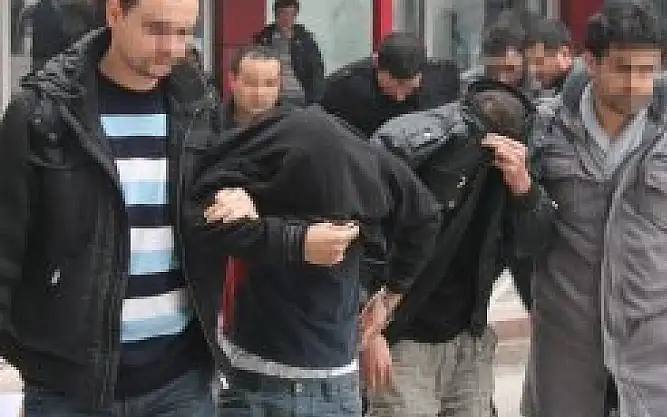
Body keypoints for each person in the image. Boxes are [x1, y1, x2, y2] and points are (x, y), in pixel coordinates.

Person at [0, 0, 223, 415]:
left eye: (183, 32)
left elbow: (224, 197)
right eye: (157, 29)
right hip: (68, 388)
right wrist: (33, 355)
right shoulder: (43, 114)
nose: (172, 48)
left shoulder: (201, 108)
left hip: (181, 382)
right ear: (115, 14)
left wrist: (242, 196)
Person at [529, 3, 667, 416]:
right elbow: (519, 226)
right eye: (623, 69)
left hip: (659, 349)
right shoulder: (546, 129)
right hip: (568, 352)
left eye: (647, 70)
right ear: (591, 63)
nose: (636, 84)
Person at [185, 105, 442, 417]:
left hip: (270, 372)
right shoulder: (360, 162)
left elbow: (201, 221)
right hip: (308, 374)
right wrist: (389, 297)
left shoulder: (263, 158)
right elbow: (424, 216)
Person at [362, 79, 555, 417]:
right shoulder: (416, 146)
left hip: (468, 335)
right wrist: (372, 334)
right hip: (403, 337)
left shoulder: (522, 164)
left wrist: (524, 190)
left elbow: (535, 242)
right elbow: (365, 243)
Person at [321, 32, 460, 138]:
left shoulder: (444, 80)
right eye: (393, 85)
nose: (400, 96)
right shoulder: (344, 90)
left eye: (409, 88)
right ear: (377, 64)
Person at [254, 0, 324, 105]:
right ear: (276, 15)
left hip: (299, 97)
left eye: (291, 14)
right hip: (272, 97)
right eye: (283, 13)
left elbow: (317, 71)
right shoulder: (264, 39)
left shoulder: (305, 40)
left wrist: (313, 99)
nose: (287, 19)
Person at [223, 45, 282, 128]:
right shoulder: (209, 125)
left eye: (270, 84)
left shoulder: (295, 127)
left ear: (279, 84)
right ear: (232, 81)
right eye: (251, 83)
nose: (259, 93)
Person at [524, 18, 574, 98]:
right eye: (528, 63)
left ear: (564, 54)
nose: (532, 70)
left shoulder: (582, 90)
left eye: (539, 62)